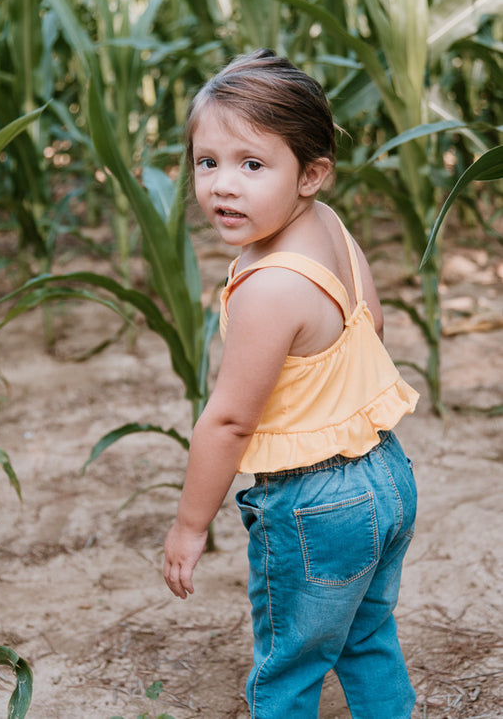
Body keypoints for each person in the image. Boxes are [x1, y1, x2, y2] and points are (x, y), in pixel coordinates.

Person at [163, 49, 419, 719]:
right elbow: (373, 322)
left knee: (287, 667)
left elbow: (228, 421)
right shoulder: (327, 226)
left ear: (310, 173)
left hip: (315, 502)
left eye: (252, 164)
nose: (222, 184)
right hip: (385, 474)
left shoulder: (269, 288)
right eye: (206, 161)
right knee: (365, 636)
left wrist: (190, 526)